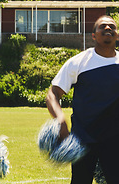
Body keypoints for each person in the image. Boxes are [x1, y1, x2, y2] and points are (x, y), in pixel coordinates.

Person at [46, 15, 119, 184]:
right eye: (102, 26)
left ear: (117, 35)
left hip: (115, 140)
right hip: (83, 140)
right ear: (93, 36)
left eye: (112, 27)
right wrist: (60, 120)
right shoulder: (79, 62)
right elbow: (52, 94)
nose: (108, 28)